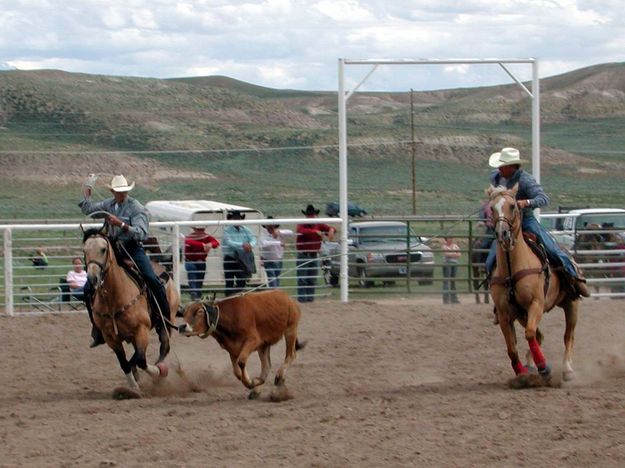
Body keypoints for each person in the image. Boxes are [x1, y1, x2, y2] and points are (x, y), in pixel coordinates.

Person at [79, 174, 173, 348]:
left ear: (127, 192)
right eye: (117, 191)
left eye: (122, 191)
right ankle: (97, 328)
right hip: (112, 249)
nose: (120, 194)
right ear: (113, 191)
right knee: (88, 288)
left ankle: (164, 322)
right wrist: (88, 189)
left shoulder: (136, 208)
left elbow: (142, 233)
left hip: (132, 247)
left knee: (151, 278)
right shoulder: (108, 204)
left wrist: (121, 224)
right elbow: (87, 209)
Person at [485, 147, 589, 298]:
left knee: (552, 249)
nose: (499, 167)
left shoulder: (525, 180)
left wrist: (526, 202)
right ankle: (497, 293)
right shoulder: (495, 176)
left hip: (525, 220)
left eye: (502, 165)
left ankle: (574, 278)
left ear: (512, 166)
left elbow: (543, 198)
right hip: (504, 222)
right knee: (490, 259)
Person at [296, 204, 336, 303]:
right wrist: (315, 232)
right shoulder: (303, 224)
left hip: (313, 255)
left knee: (311, 279)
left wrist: (331, 230)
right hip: (304, 254)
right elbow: (301, 230)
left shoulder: (318, 224)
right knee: (303, 279)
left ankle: (309, 299)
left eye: (312, 215)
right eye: (310, 215)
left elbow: (331, 228)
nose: (311, 217)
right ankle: (302, 300)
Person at [222, 210, 257, 296]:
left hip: (242, 258)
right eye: (235, 219)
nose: (237, 220)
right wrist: (243, 245)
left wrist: (250, 245)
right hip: (230, 258)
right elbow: (229, 243)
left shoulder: (246, 230)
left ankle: (237, 298)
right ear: (231, 220)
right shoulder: (227, 230)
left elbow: (253, 239)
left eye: (238, 218)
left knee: (241, 281)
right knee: (229, 281)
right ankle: (229, 298)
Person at [184, 226, 220, 300]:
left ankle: (197, 294)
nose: (201, 232)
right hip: (191, 261)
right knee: (193, 278)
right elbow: (189, 242)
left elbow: (216, 243)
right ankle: (194, 294)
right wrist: (203, 245)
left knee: (199, 280)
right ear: (195, 230)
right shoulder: (190, 237)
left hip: (201, 262)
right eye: (199, 230)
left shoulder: (206, 237)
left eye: (202, 230)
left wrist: (210, 244)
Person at [260, 216, 293, 288]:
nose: (270, 227)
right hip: (268, 261)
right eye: (268, 225)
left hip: (278, 260)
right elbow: (264, 244)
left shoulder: (280, 232)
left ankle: (274, 295)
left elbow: (291, 233)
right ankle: (274, 294)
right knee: (272, 281)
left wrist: (279, 232)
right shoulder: (264, 234)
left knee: (276, 280)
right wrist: (279, 243)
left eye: (271, 225)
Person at [442, 237, 461, 304]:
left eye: (451, 238)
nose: (451, 239)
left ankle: (454, 299)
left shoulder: (455, 246)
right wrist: (454, 254)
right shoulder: (444, 246)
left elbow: (459, 254)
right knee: (446, 281)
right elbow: (446, 254)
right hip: (447, 264)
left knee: (453, 281)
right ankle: (446, 299)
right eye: (449, 238)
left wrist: (452, 254)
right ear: (446, 239)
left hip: (454, 264)